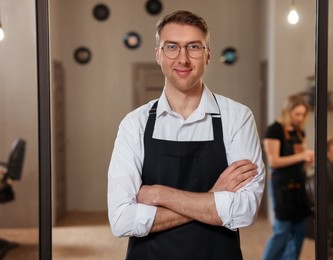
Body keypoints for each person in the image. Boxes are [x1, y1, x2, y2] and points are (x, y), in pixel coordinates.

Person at [107, 10, 266, 260]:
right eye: (172, 47)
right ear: (158, 54)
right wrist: (213, 198)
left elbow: (244, 211)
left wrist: (160, 194)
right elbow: (121, 220)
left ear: (208, 55)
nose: (183, 58)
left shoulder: (237, 117)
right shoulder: (134, 124)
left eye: (193, 46)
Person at [262, 94, 314, 260]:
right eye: (296, 114)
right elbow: (274, 161)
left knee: (299, 230)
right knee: (282, 230)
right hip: (282, 186)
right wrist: (302, 156)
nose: (300, 118)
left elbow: (302, 160)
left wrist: (309, 160)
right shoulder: (274, 130)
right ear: (288, 111)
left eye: (303, 115)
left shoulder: (300, 131)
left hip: (299, 184)